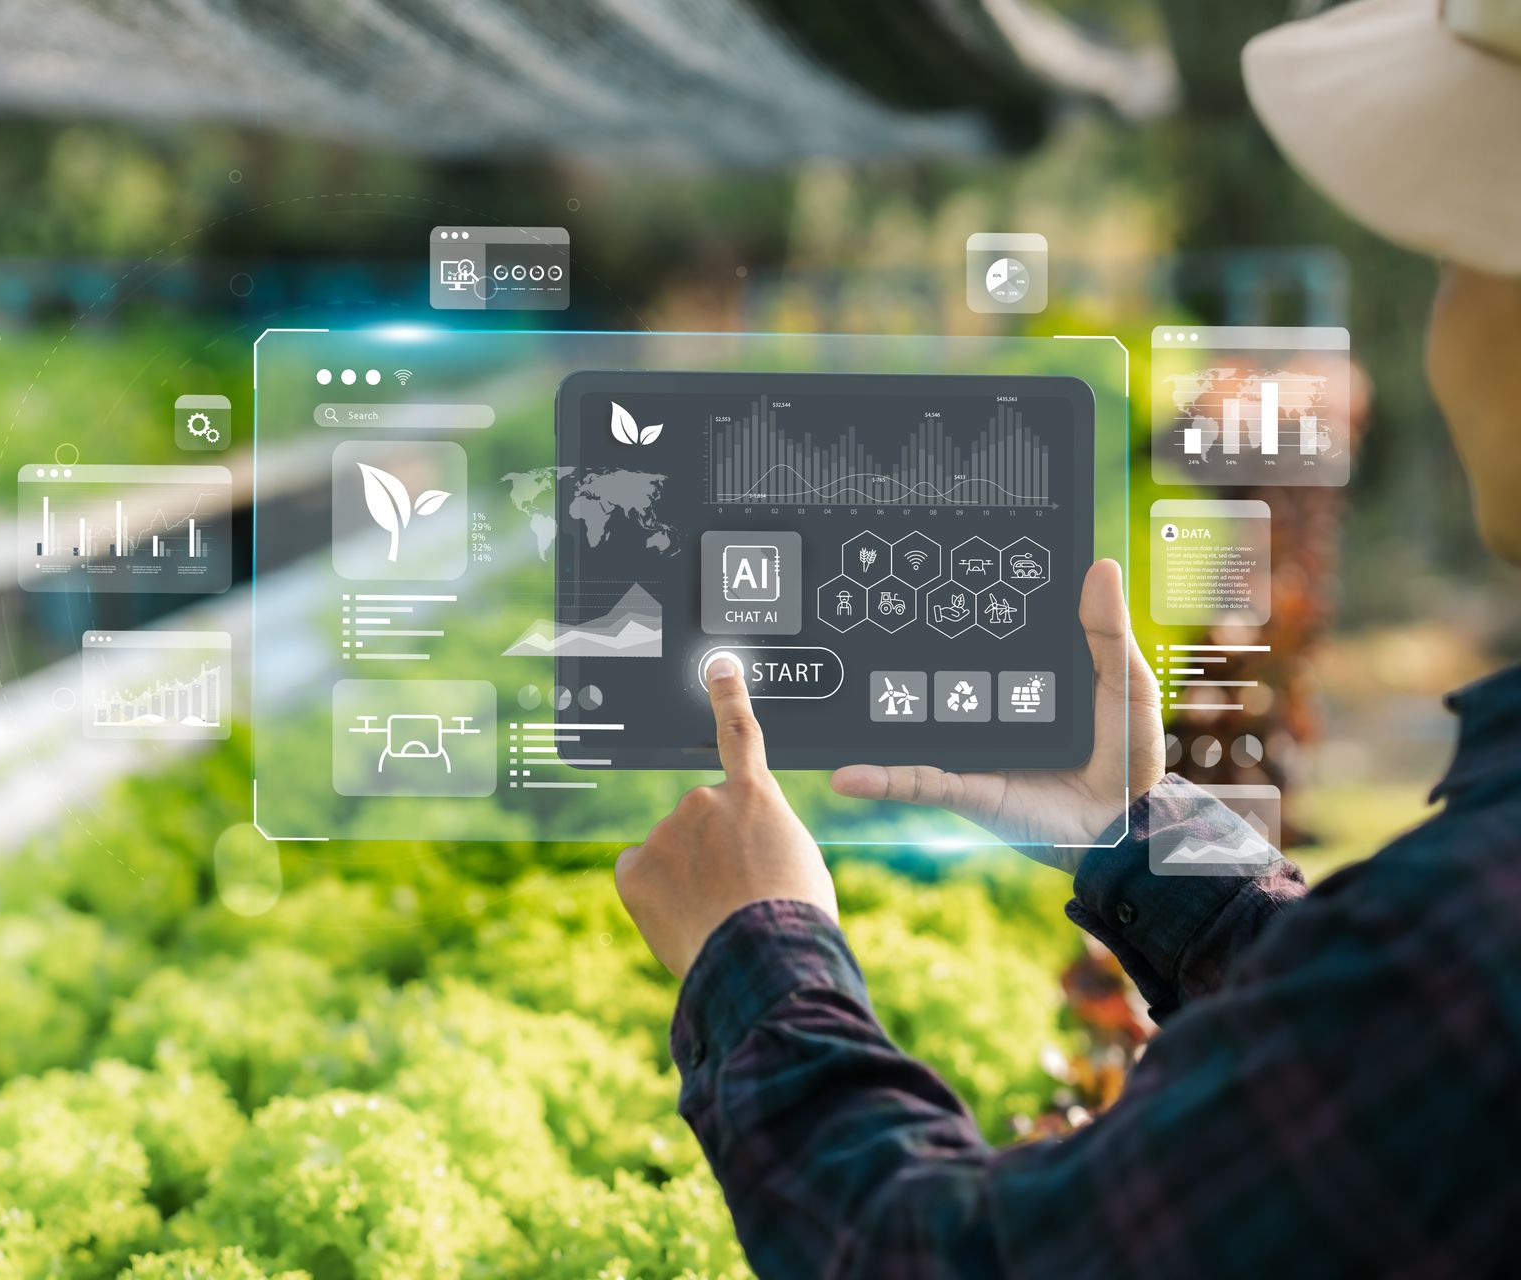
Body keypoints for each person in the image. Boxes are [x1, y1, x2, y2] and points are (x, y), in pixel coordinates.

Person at [614, 0, 1521, 1274]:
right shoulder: (1472, 922)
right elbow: (1404, 1049)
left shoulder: (1481, 925)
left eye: (1461, 261)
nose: (1435, 332)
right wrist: (1137, 833)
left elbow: (954, 1258)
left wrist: (759, 948)